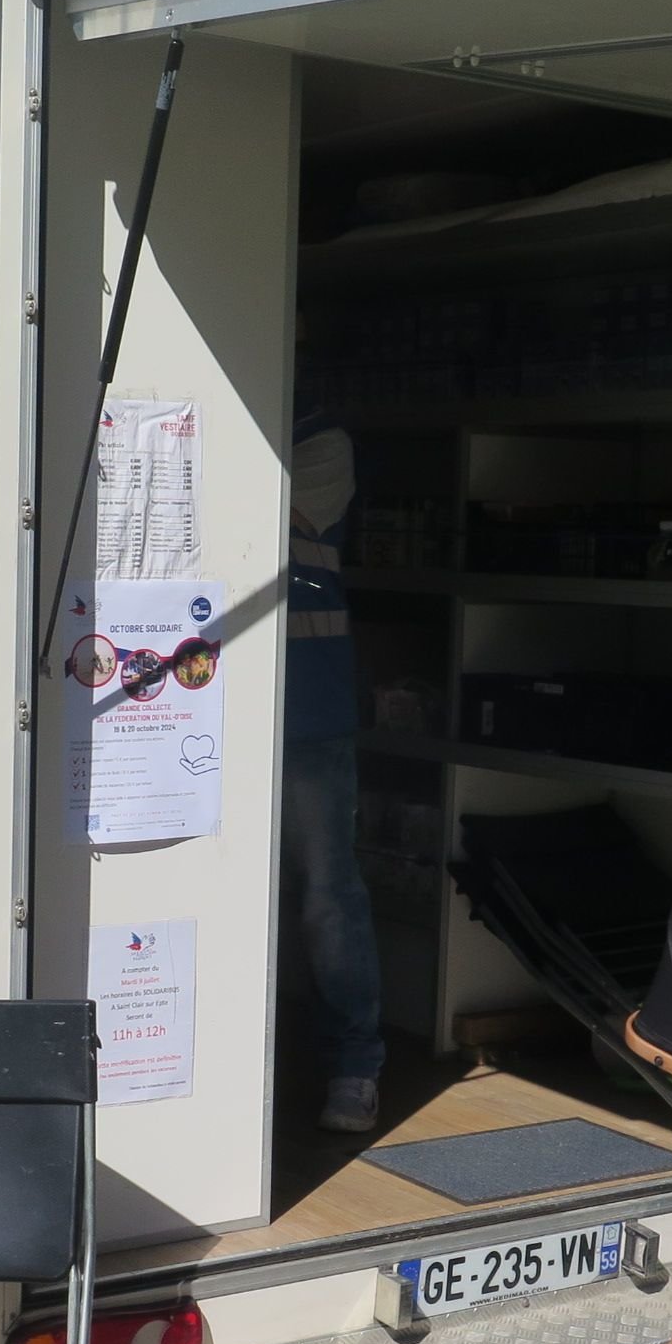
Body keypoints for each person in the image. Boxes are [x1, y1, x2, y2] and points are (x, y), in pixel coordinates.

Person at [283, 416, 386, 1132]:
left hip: (308, 721)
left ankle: (356, 1067)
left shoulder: (324, 440)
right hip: (198, 720)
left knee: (327, 899)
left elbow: (250, 508)